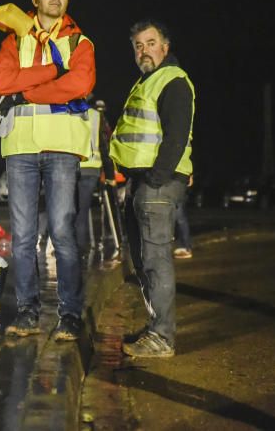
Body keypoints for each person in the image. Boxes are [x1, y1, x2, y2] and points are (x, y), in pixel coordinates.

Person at [0, 0, 96, 341]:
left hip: (62, 147)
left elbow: (79, 85)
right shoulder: (14, 39)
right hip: (20, 146)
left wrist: (27, 91)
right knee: (22, 236)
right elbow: (1, 83)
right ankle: (27, 311)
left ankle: (69, 315)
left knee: (63, 232)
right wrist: (52, 72)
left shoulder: (80, 42)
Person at [110, 19, 195, 359]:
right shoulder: (146, 82)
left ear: (165, 46)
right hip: (141, 181)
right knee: (145, 260)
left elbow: (176, 135)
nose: (143, 50)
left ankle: (162, 337)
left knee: (157, 259)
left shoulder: (173, 81)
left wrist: (156, 178)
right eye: (138, 46)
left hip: (157, 183)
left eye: (150, 42)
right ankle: (157, 329)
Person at [75, 98, 115, 253]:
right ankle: (79, 251)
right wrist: (110, 175)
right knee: (82, 211)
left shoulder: (66, 112)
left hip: (70, 168)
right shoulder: (96, 116)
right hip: (91, 169)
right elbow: (105, 146)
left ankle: (71, 250)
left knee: (69, 211)